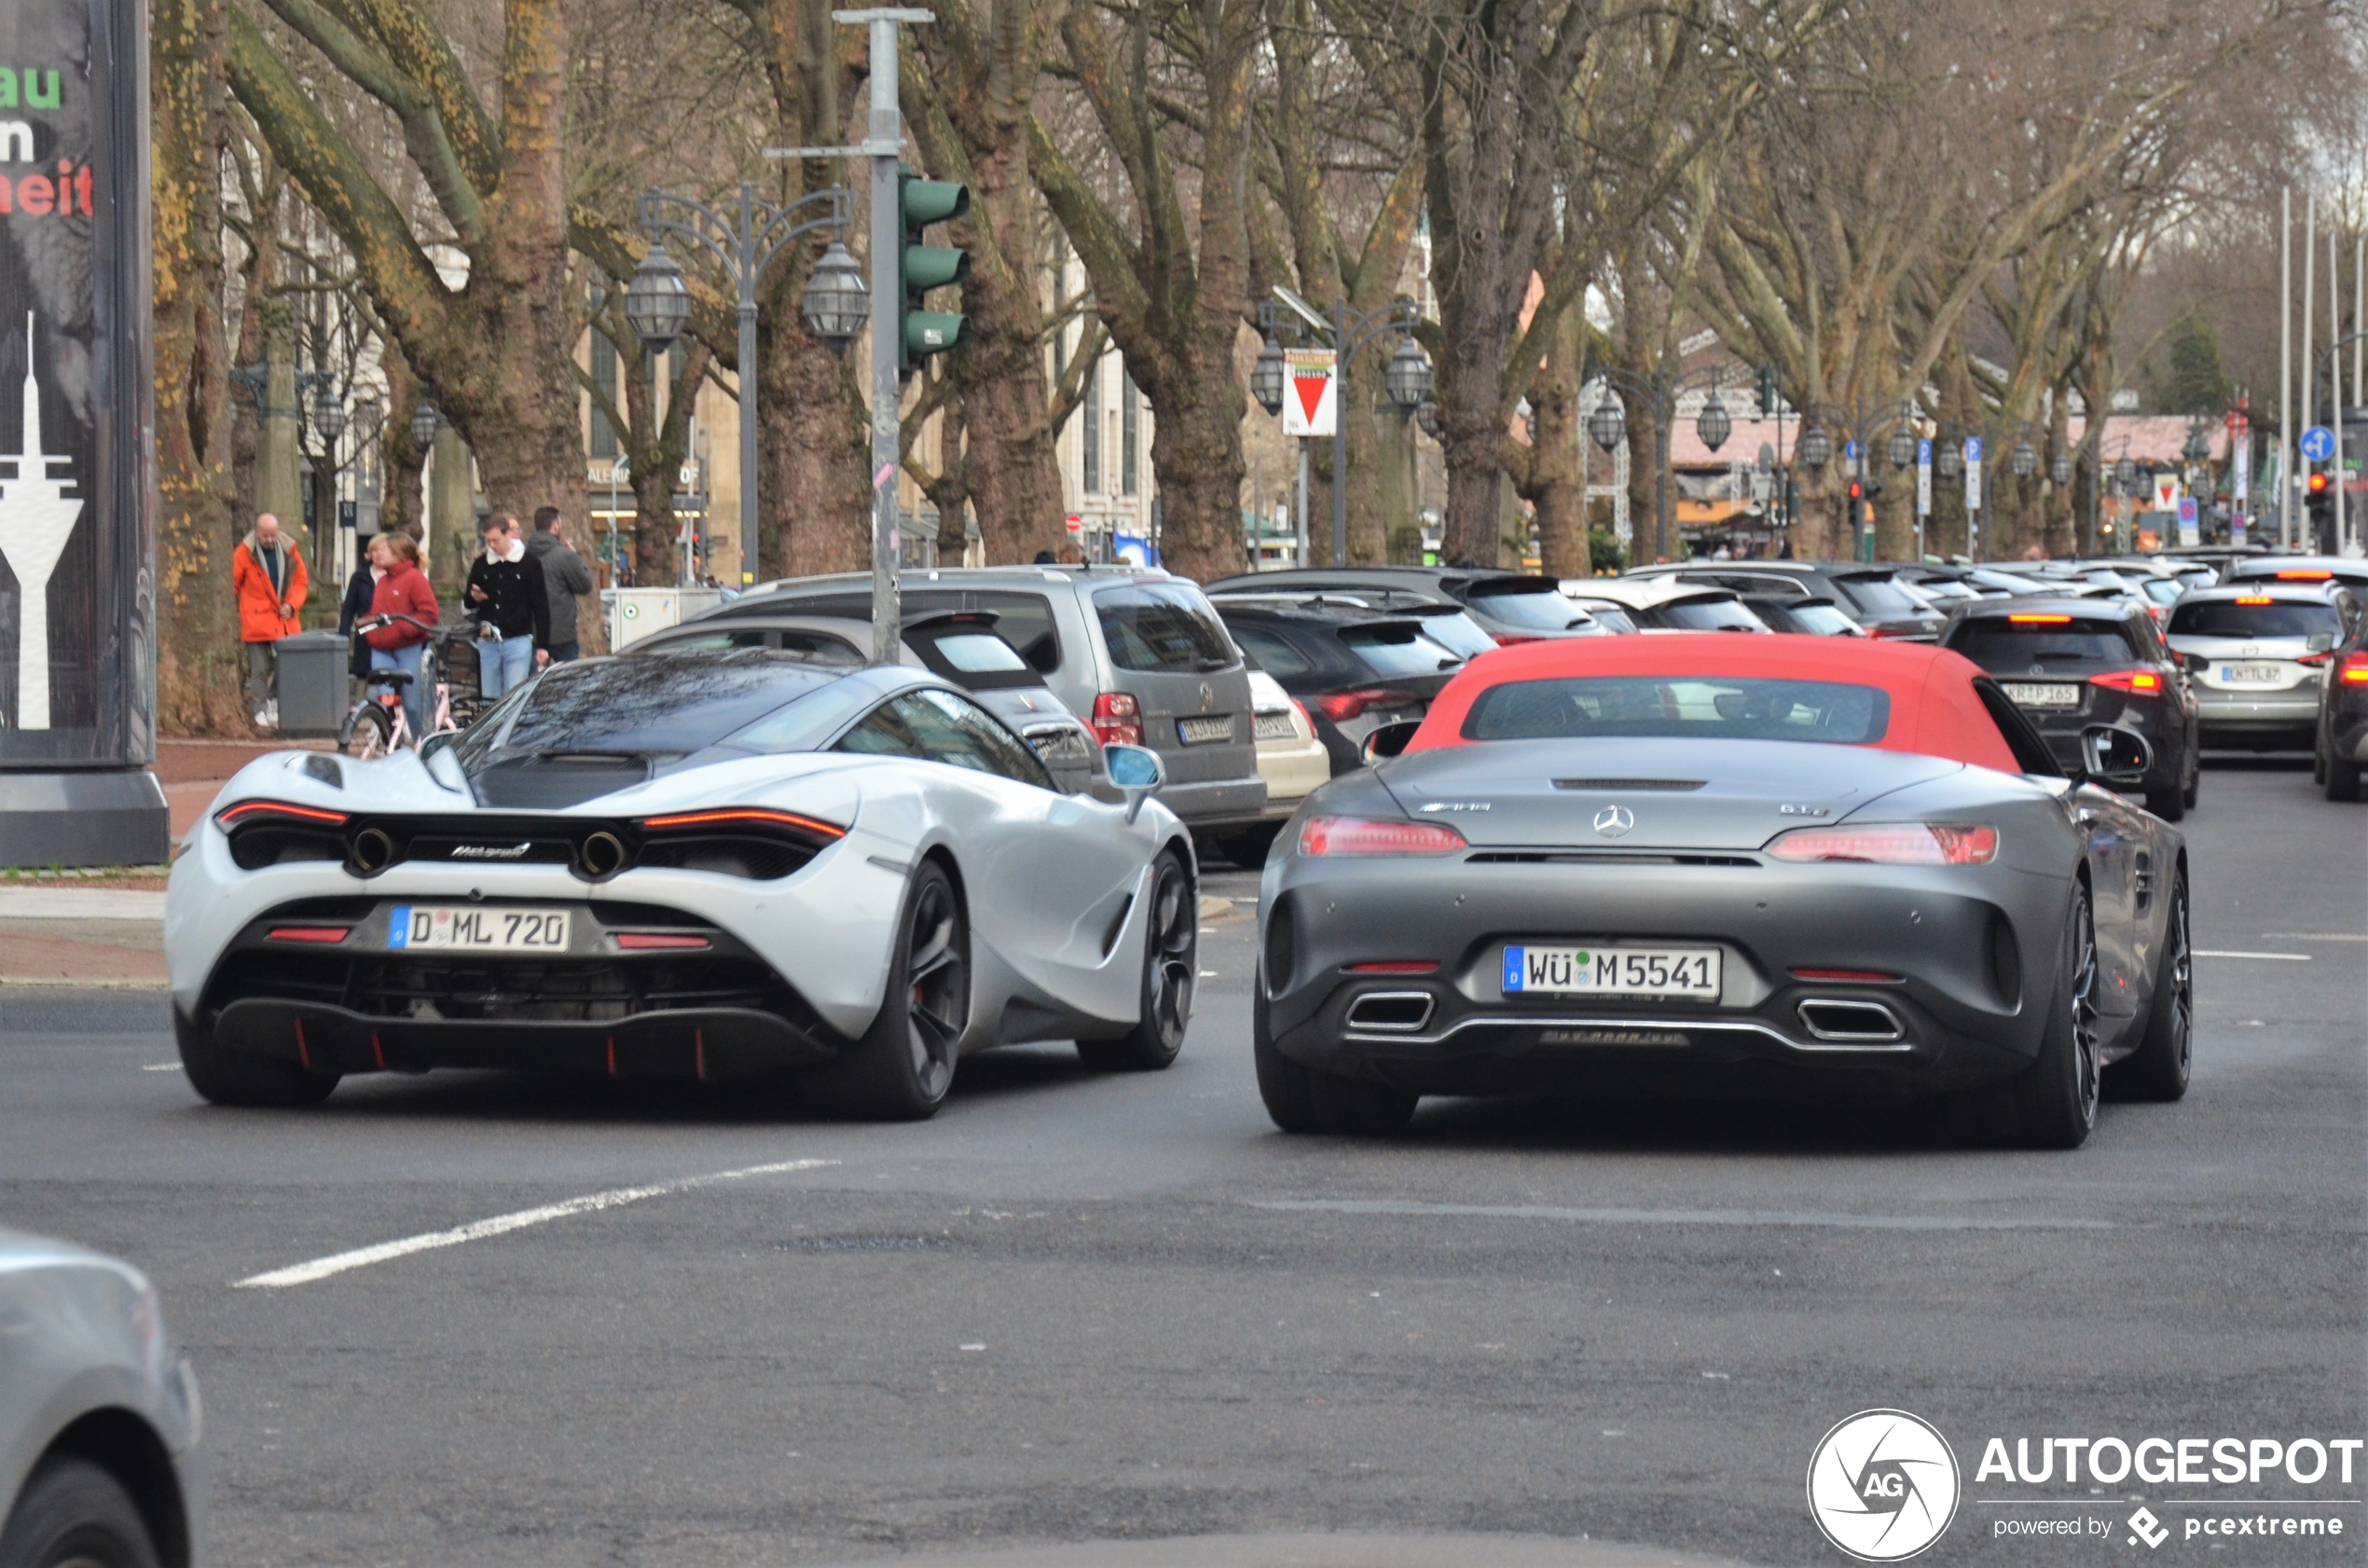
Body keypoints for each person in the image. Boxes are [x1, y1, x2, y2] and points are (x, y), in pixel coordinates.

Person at [358, 532, 439, 736]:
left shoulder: (415, 579)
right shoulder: (383, 581)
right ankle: (391, 742)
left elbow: (429, 614)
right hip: (381, 648)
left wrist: (403, 628)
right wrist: (367, 621)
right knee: (384, 697)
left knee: (413, 703)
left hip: (408, 648)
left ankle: (423, 741)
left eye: (386, 549)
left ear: (399, 554)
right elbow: (380, 612)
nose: (380, 553)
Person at [232, 512, 308, 729]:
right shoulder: (243, 554)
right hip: (255, 619)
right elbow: (233, 585)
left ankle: (273, 701)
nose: (270, 540)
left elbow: (300, 582)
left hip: (283, 617)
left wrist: (292, 605)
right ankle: (259, 710)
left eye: (273, 535)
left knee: (287, 665)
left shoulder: (290, 551)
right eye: (265, 536)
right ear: (257, 533)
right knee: (259, 669)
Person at [464, 513, 551, 699]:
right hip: (488, 642)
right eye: (488, 541)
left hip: (518, 639)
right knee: (488, 699)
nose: (492, 546)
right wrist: (475, 598)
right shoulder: (481, 564)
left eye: (495, 540)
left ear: (508, 535)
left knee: (514, 698)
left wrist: (543, 645)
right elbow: (468, 602)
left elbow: (541, 606)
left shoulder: (529, 563)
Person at [526, 505, 595, 661]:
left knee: (532, 682)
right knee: (569, 680)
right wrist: (575, 558)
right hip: (562, 634)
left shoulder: (524, 555)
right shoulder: (564, 556)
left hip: (533, 632)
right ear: (556, 526)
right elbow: (584, 586)